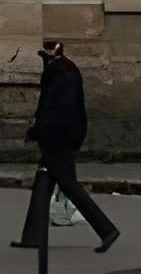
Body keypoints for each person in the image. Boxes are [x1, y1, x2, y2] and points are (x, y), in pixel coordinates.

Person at [13, 39, 120, 254]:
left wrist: (38, 131)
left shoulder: (58, 73)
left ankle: (106, 229)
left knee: (68, 184)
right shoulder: (67, 69)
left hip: (58, 138)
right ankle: (32, 235)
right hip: (67, 135)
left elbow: (53, 109)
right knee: (44, 179)